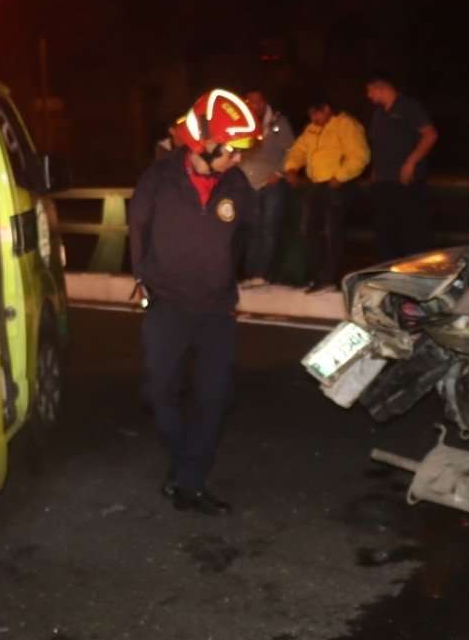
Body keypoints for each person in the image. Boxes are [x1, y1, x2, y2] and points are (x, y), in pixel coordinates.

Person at [128, 89, 258, 516]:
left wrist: (225, 277)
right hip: (167, 306)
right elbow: (138, 230)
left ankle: (189, 481)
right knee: (158, 393)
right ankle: (185, 467)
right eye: (232, 149)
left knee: (214, 398)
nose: (238, 158)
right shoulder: (158, 179)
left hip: (216, 310)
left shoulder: (237, 186)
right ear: (204, 144)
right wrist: (144, 278)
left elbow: (244, 238)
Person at [284, 100, 370, 292]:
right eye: (311, 115)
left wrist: (340, 176)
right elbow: (299, 149)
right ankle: (317, 278)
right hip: (317, 184)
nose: (313, 118)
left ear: (327, 109)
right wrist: (291, 167)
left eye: (317, 114)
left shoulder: (346, 124)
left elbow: (360, 154)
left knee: (332, 232)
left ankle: (330, 279)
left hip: (338, 184)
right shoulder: (312, 129)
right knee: (308, 230)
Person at [365, 75, 437, 260]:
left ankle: (415, 274)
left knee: (412, 235)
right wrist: (375, 172)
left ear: (381, 87)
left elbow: (430, 135)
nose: (369, 95)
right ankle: (389, 272)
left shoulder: (408, 106)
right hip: (383, 182)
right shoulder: (378, 113)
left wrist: (411, 162)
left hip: (406, 182)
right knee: (385, 235)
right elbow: (378, 145)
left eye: (370, 90)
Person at [238, 88, 295, 287]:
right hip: (248, 183)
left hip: (271, 182)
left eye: (258, 102)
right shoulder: (242, 123)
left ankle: (264, 273)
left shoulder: (278, 122)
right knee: (251, 228)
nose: (255, 106)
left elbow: (291, 150)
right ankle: (250, 273)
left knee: (269, 227)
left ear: (264, 102)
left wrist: (279, 172)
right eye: (250, 102)